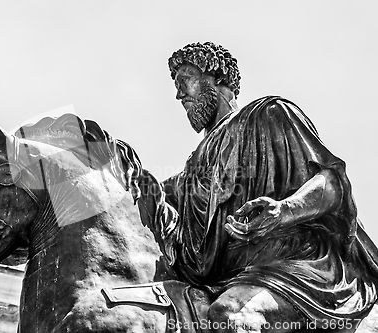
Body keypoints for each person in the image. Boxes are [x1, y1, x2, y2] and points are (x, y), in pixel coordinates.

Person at [133, 42, 378, 332]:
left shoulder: (269, 114)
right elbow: (143, 195)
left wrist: (283, 209)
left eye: (184, 80)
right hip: (233, 279)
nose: (178, 94)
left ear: (216, 77)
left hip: (293, 266)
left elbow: (332, 183)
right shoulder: (189, 173)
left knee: (229, 316)